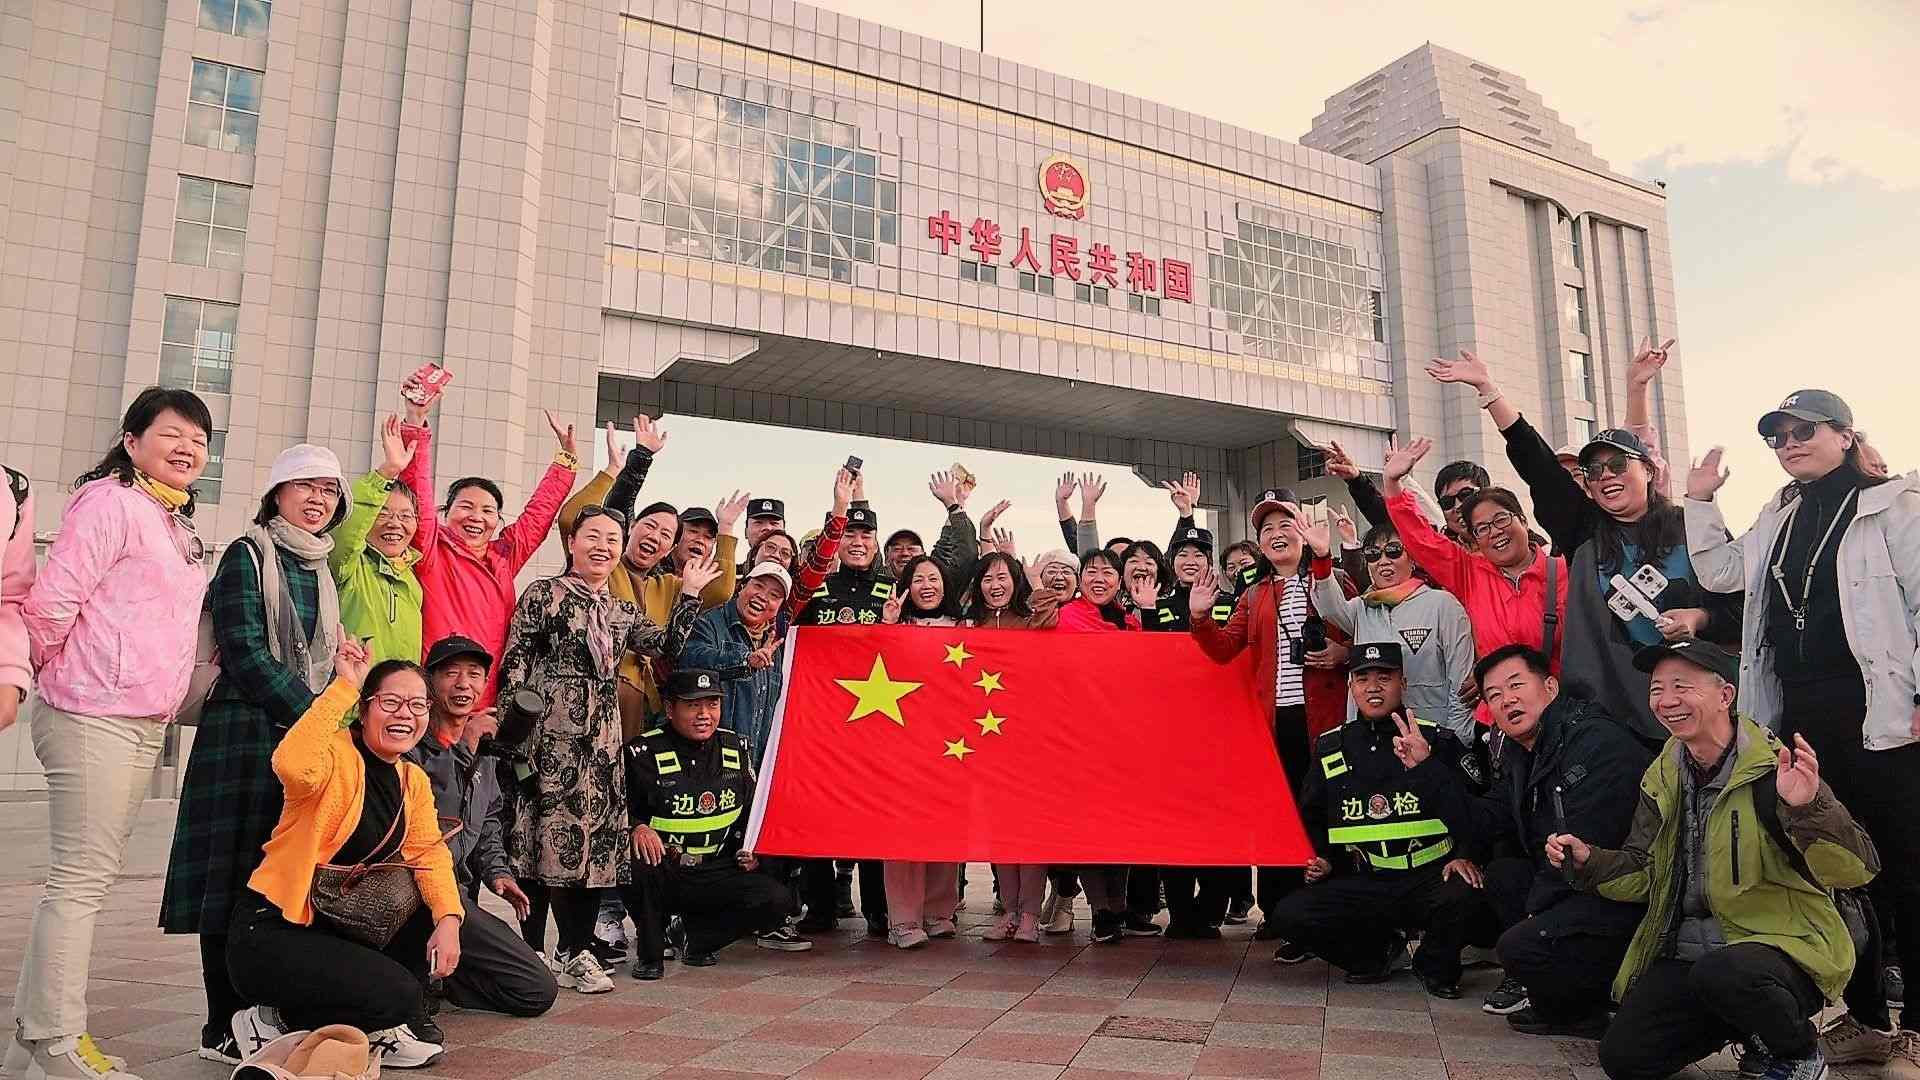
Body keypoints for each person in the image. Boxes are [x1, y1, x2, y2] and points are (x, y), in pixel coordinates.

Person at [1685, 389, 1920, 1072]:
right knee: (1839, 868)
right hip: (1801, 715)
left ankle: (1917, 1027)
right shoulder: (1781, 514)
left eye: (1803, 430)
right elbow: (1721, 572)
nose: (1789, 444)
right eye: (1778, 436)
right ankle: (1867, 1019)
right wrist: (1699, 501)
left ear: (1845, 435)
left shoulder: (1894, 503)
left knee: (1907, 865)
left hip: (1882, 712)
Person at [1551, 639, 1880, 1080]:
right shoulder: (1662, 775)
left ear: (1726, 695)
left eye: (1681, 686)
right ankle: (1748, 1027)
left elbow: (1855, 870)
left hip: (1783, 948)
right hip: (1693, 956)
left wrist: (1809, 809)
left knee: (1727, 973)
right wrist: (1588, 860)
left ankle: (1797, 1053)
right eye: (1656, 689)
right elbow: (1645, 871)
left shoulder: (1776, 770)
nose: (1667, 701)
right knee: (1626, 1059)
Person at [6, 389, 211, 1080]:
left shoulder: (171, 520)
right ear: (131, 440)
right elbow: (50, 604)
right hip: (92, 711)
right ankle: (58, 1040)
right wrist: (50, 673)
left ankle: (30, 1045)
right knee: (80, 883)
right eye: (173, 434)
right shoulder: (109, 504)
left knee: (81, 881)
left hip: (138, 718)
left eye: (199, 441)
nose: (187, 448)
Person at [1427, 348, 1742, 746]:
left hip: (1696, 714)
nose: (1605, 476)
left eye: (1618, 466)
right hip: (1611, 720)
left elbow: (1742, 610)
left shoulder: (1691, 525)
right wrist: (1489, 390)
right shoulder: (1584, 531)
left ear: (1647, 470)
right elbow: (1538, 464)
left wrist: (1699, 617)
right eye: (1593, 470)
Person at [161, 442, 351, 1065]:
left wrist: (329, 705)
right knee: (231, 879)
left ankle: (264, 1009)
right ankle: (221, 1022)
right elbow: (244, 648)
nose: (318, 499)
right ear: (277, 494)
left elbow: (321, 657)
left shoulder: (321, 568)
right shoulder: (248, 554)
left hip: (296, 736)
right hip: (242, 734)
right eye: (306, 486)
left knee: (279, 879)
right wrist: (314, 715)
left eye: (329, 490)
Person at [495, 505, 709, 992]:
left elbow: (666, 646)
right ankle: (533, 949)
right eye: (593, 536)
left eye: (612, 539)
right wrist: (513, 739)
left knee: (593, 845)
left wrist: (689, 595)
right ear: (572, 542)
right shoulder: (543, 594)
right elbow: (515, 665)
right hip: (548, 736)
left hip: (601, 742)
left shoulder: (620, 610)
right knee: (540, 839)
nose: (603, 547)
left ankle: (576, 950)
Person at [223, 640, 458, 1070]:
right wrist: (345, 686)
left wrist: (449, 919)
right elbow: (292, 765)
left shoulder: (413, 780)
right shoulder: (333, 754)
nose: (405, 714)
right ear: (365, 710)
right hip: (272, 931)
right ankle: (270, 1018)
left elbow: (429, 854)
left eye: (417, 705)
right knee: (398, 995)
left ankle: (369, 1022)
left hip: (338, 929)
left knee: (421, 899)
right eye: (390, 702)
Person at [1263, 642, 1491, 998]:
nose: (1373, 687)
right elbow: (1312, 814)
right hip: (1369, 879)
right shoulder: (1332, 746)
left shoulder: (1436, 740)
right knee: (1290, 914)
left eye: (1384, 678)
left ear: (1403, 683)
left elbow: (1477, 810)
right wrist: (1324, 858)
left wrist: (1465, 854)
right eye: (1362, 678)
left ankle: (1433, 962)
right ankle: (1377, 954)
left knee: (1469, 893)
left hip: (1431, 876)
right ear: (1350, 686)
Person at [1188, 489, 1353, 947]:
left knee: (1322, 811)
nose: (1277, 535)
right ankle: (1278, 911)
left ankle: (1325, 908)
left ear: (1303, 531)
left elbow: (1361, 631)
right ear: (1260, 544)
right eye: (1267, 529)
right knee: (1279, 812)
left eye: (1285, 525)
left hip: (1327, 720)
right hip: (1276, 722)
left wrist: (1343, 654)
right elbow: (1224, 649)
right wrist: (1200, 618)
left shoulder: (1334, 579)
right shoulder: (1255, 593)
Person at [1463, 644, 1652, 1035]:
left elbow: (1585, 844)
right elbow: (1485, 819)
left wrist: (1536, 915)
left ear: (1550, 687)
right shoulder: (1520, 752)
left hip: (1624, 892)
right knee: (1504, 875)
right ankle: (1558, 991)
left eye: (1516, 685)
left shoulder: (1595, 741)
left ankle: (1591, 1003)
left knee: (1519, 946)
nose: (1507, 700)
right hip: (1571, 882)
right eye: (1494, 695)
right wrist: (1425, 770)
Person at [396, 378, 579, 705]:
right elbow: (417, 491)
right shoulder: (431, 550)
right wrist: (415, 423)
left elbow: (537, 517)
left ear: (497, 520)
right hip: (438, 689)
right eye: (466, 507)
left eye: (487, 510)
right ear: (445, 513)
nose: (476, 517)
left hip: (489, 694)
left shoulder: (503, 557)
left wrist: (565, 463)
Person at [404, 635, 557, 1019]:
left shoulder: (485, 751)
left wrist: (498, 873)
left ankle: (442, 979)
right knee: (537, 990)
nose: (463, 684)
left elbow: (487, 819)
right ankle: (416, 976)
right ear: (429, 683)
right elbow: (439, 823)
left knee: (536, 990)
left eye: (474, 675)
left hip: (460, 898)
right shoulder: (411, 746)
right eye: (450, 674)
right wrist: (466, 747)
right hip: (415, 893)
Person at [621, 669, 810, 977]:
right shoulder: (643, 752)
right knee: (637, 857)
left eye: (712, 704)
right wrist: (637, 826)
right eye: (693, 705)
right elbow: (619, 806)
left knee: (776, 899)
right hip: (666, 868)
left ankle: (696, 939)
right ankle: (650, 952)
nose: (704, 715)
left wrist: (752, 849)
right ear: (670, 709)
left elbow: (754, 811)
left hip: (716, 868)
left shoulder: (734, 747)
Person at [558, 418, 740, 737]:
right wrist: (614, 470)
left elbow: (722, 590)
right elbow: (572, 518)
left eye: (666, 534)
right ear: (631, 528)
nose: (655, 536)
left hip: (639, 702)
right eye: (650, 525)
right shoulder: (605, 565)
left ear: (670, 548)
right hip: (584, 689)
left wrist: (725, 529)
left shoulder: (668, 586)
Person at [1366, 440, 1568, 677]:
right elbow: (1421, 538)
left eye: (1501, 519)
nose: (1494, 532)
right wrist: (1392, 484)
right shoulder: (1469, 574)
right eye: (1482, 528)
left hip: (1559, 695)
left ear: (1523, 520)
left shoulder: (1567, 571)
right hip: (1495, 698)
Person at [1303, 514, 1476, 741]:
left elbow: (1461, 685)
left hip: (1430, 738)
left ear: (1413, 559)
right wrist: (1321, 556)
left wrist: (1456, 742)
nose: (1383, 560)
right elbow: (1329, 607)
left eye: (1393, 551)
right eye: (1373, 554)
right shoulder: (1362, 608)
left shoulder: (1442, 605)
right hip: (1372, 741)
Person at [331, 416, 424, 666]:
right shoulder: (349, 566)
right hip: (353, 687)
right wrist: (387, 472)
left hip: (400, 689)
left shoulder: (411, 579)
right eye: (382, 514)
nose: (395, 523)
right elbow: (347, 531)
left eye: (406, 516)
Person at [1434, 459, 1492, 544]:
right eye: (1447, 502)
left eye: (1465, 495)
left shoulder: (1509, 536)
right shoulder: (1438, 549)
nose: (1457, 506)